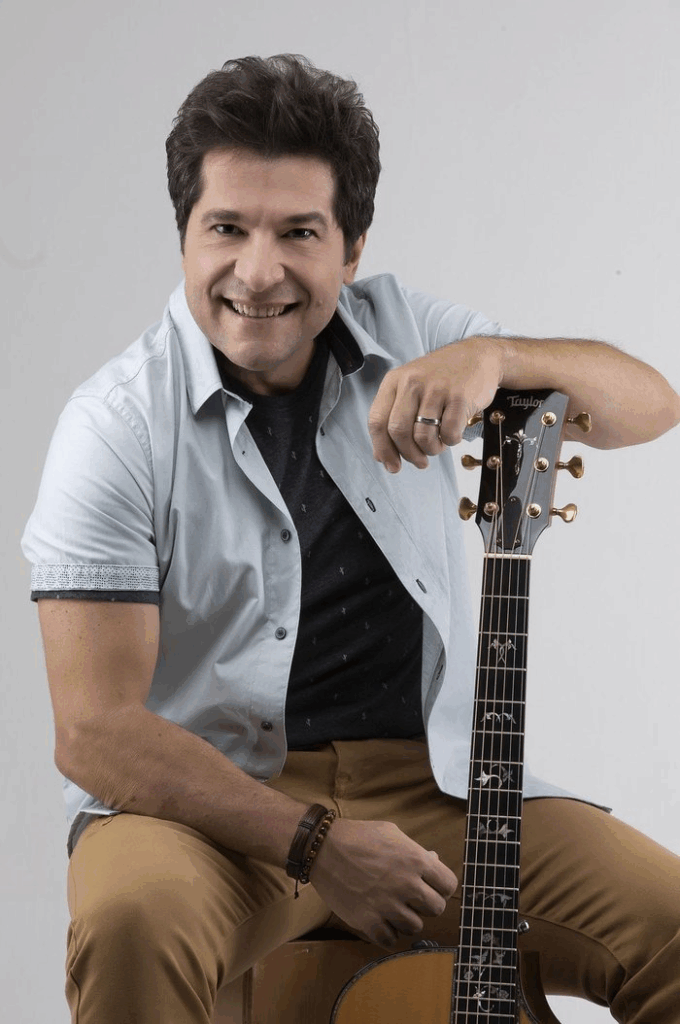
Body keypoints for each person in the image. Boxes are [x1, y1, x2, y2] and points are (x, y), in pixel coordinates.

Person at [21, 54, 680, 1024]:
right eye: (226, 228)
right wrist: (316, 842)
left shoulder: (412, 332)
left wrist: (495, 357)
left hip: (434, 787)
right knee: (133, 924)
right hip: (213, 804)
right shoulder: (114, 426)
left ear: (352, 247)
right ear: (184, 237)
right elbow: (95, 732)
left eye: (298, 232)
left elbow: (649, 403)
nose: (257, 271)